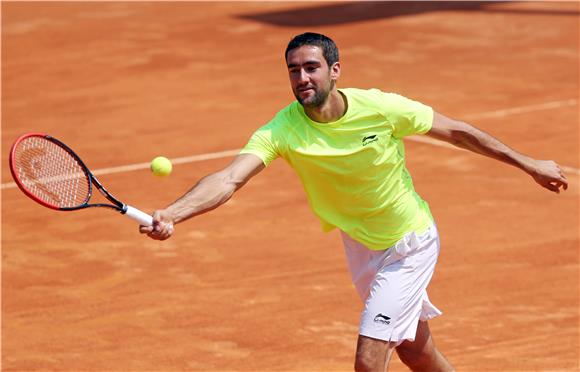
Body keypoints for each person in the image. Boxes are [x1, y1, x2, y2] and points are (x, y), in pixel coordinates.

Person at [139, 32, 568, 372]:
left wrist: (528, 163)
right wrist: (174, 213)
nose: (302, 79)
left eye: (311, 68)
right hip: (362, 248)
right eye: (294, 71)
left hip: (409, 242)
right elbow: (230, 178)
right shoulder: (282, 130)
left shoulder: (381, 108)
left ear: (335, 70)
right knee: (417, 354)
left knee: (369, 359)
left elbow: (456, 132)